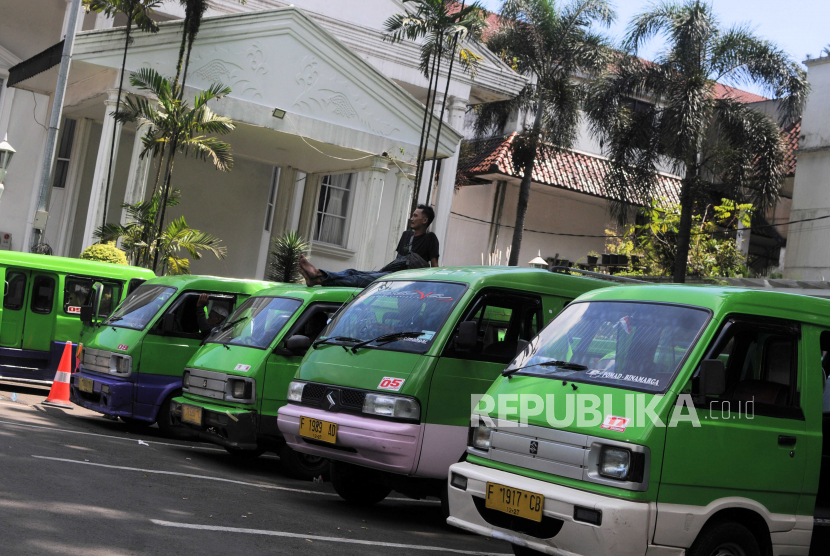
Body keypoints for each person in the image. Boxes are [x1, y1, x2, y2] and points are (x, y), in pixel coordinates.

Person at [298, 204, 440, 288]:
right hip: (391, 273)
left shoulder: (430, 238)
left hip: (403, 279)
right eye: (412, 215)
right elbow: (398, 260)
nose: (411, 218)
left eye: (415, 216)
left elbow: (434, 266)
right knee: (352, 272)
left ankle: (319, 275)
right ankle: (317, 279)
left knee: (358, 280)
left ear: (425, 220)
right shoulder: (406, 235)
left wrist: (433, 287)